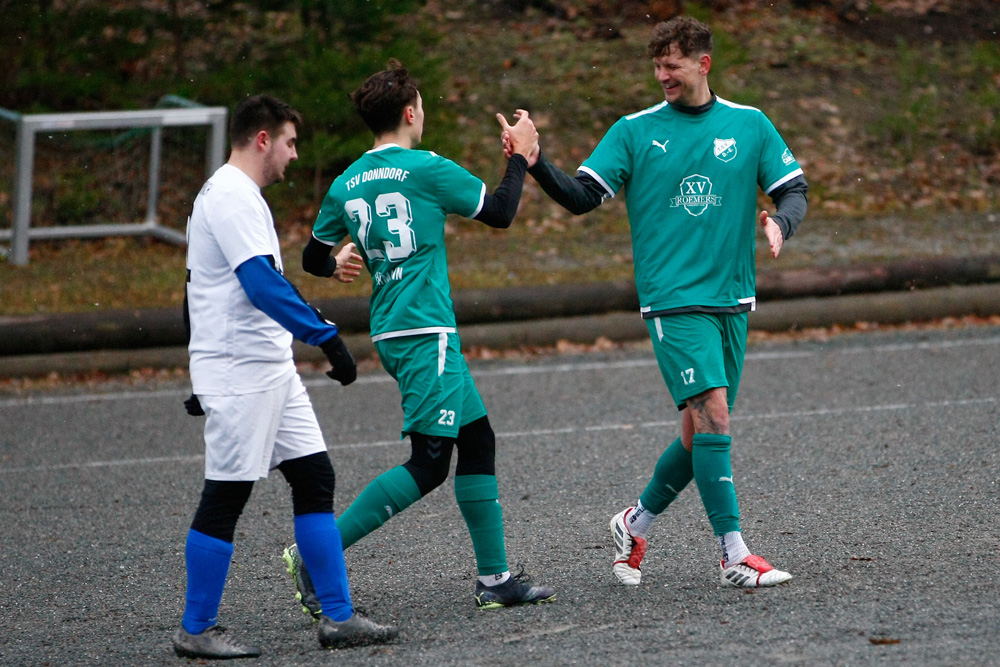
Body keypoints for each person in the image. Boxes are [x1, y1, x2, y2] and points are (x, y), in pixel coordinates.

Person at [503, 16, 807, 589]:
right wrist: (536, 160)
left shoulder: (750, 124)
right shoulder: (634, 131)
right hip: (672, 299)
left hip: (733, 298)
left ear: (703, 64)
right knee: (713, 414)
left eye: (673, 65)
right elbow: (581, 197)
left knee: (700, 436)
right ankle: (733, 555)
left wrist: (782, 226)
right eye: (658, 66)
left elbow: (792, 188)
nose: (663, 76)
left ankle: (633, 522)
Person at [282, 60, 556, 614]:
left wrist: (337, 264)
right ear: (411, 113)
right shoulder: (426, 168)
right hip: (422, 330)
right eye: (424, 107)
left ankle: (495, 579)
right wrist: (521, 158)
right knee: (430, 462)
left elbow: (312, 256)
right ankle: (317, 552)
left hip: (400, 327)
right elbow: (501, 213)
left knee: (477, 440)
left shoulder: (346, 181)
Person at [173, 93, 398, 659]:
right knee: (226, 496)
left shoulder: (233, 194)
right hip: (242, 373)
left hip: (264, 368)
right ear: (264, 139)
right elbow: (261, 285)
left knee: (315, 477)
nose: (296, 156)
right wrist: (324, 337)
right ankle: (196, 628)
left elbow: (201, 287)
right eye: (292, 143)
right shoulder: (230, 197)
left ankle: (339, 617)